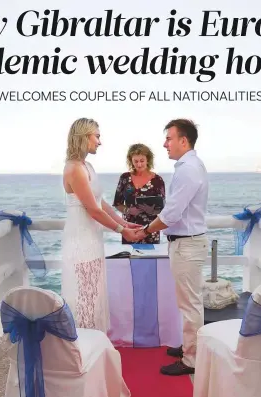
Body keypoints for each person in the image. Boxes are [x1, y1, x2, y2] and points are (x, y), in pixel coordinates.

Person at [134, 119, 209, 376]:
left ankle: (192, 360)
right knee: (187, 302)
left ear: (183, 141)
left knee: (190, 304)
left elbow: (172, 214)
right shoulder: (189, 166)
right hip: (184, 243)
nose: (165, 144)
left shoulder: (188, 169)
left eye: (169, 138)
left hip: (187, 245)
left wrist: (143, 231)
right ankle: (190, 347)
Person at [61, 118, 142, 333]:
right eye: (96, 136)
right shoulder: (75, 169)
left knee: (93, 292)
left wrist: (123, 221)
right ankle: (83, 343)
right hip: (81, 239)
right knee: (84, 294)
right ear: (84, 137)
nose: (100, 141)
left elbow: (101, 203)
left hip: (92, 238)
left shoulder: (87, 166)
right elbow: (93, 210)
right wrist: (122, 231)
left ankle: (94, 339)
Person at [113, 143, 166, 244]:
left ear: (148, 160)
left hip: (150, 229)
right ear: (131, 161)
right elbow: (117, 203)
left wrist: (151, 210)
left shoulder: (158, 180)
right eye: (135, 161)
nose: (139, 164)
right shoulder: (124, 178)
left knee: (150, 258)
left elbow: (162, 208)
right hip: (129, 229)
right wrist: (128, 210)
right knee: (130, 258)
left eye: (142, 161)